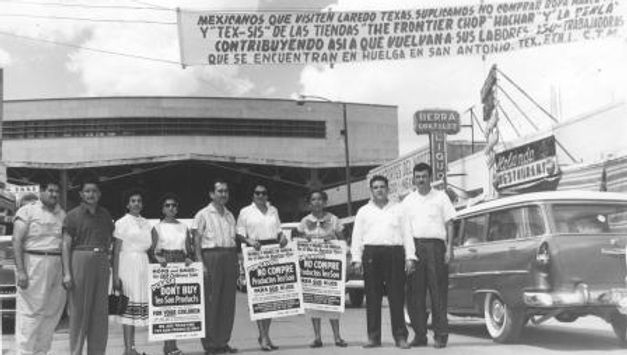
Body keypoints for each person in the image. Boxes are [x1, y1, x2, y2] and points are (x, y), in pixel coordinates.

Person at [351, 175, 415, 349]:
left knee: (396, 296)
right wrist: (356, 259)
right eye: (375, 187)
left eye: (382, 187)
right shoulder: (363, 211)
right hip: (371, 254)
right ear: (371, 190)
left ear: (388, 189)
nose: (379, 190)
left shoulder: (399, 209)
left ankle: (401, 337)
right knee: (372, 297)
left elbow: (407, 234)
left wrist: (410, 257)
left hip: (394, 253)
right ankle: (373, 337)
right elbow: (356, 237)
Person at [402, 163, 456, 349]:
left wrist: (449, 248)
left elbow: (450, 223)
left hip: (436, 248)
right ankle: (420, 335)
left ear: (430, 177)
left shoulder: (441, 197)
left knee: (438, 293)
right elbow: (406, 230)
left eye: (424, 176)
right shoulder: (408, 201)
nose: (421, 180)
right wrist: (409, 255)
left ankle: (441, 335)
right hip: (416, 247)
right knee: (415, 294)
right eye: (417, 177)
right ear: (414, 179)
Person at [62, 178, 115, 355]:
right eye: (87, 191)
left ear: (99, 194)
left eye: (94, 191)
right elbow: (65, 245)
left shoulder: (105, 214)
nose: (91, 194)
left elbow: (110, 241)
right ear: (81, 194)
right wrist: (67, 274)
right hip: (80, 260)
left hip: (101, 261)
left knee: (100, 313)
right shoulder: (72, 215)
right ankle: (75, 351)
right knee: (79, 312)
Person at [12, 180, 66, 355]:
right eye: (50, 190)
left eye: (57, 191)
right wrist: (21, 270)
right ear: (41, 191)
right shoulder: (27, 211)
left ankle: (41, 352)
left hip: (57, 265)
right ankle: (24, 352)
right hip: (34, 262)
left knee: (52, 314)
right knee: (30, 314)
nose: (54, 194)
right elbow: (17, 241)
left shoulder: (62, 214)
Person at [236, 184, 288, 352]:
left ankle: (265, 334)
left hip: (272, 251)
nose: (261, 195)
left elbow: (279, 230)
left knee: (270, 297)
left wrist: (282, 238)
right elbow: (239, 233)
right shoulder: (245, 212)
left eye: (264, 193)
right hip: (255, 252)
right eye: (257, 193)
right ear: (253, 195)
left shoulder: (274, 210)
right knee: (259, 298)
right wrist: (249, 241)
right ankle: (263, 336)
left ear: (267, 195)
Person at [192, 179, 239, 355]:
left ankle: (223, 341)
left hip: (229, 256)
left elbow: (234, 239)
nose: (223, 194)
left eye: (226, 191)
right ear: (212, 194)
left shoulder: (230, 215)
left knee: (228, 302)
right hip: (211, 257)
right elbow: (196, 240)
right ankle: (211, 344)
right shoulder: (202, 214)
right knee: (211, 302)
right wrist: (200, 263)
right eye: (219, 191)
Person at [296, 190, 347, 348]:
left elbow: (343, 239)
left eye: (320, 199)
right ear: (309, 203)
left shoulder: (334, 219)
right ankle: (317, 337)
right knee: (314, 301)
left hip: (330, 266)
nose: (317, 202)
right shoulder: (304, 221)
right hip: (312, 267)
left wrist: (332, 238)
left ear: (325, 202)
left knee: (332, 300)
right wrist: (306, 239)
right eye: (313, 199)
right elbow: (297, 240)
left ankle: (337, 337)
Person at [150, 193, 194, 355]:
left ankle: (173, 345)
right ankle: (168, 346)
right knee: (166, 305)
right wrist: (157, 257)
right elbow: (152, 250)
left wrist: (189, 258)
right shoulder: (157, 227)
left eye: (174, 205)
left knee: (178, 304)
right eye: (167, 205)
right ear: (162, 209)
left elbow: (189, 250)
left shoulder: (184, 227)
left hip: (180, 262)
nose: (171, 208)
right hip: (165, 261)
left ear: (177, 208)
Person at [112, 190, 152, 355]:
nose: (136, 203)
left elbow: (152, 247)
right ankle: (128, 349)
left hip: (143, 265)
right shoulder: (121, 222)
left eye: (139, 201)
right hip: (127, 266)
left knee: (136, 309)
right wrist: (115, 276)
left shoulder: (147, 223)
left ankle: (133, 348)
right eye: (133, 201)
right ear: (127, 204)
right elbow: (115, 251)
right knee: (127, 308)